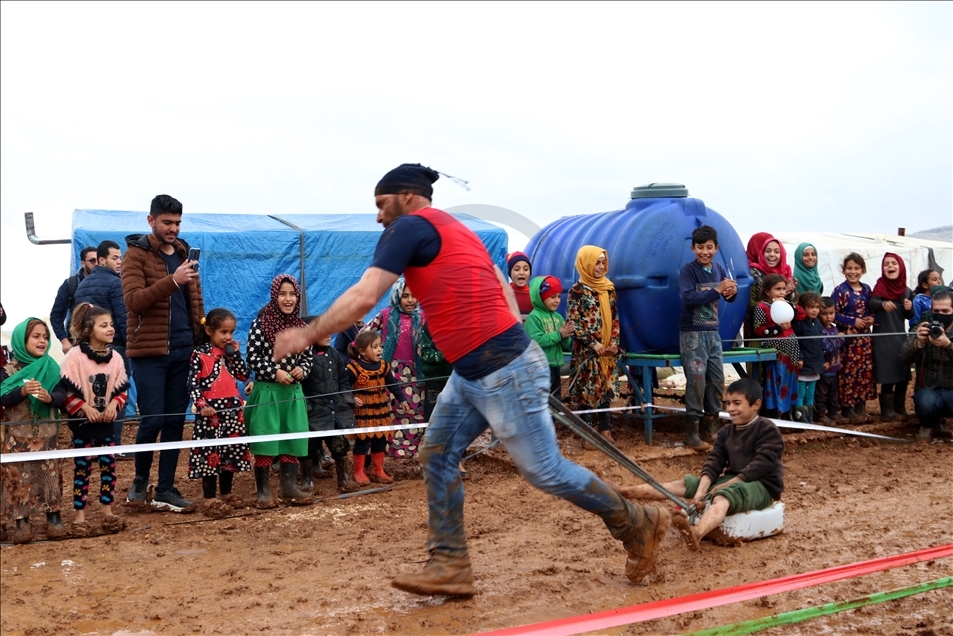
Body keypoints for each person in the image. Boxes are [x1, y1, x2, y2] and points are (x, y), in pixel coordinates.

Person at [274, 163, 669, 597]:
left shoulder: (408, 227)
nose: (378, 216)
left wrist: (307, 334)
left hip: (502, 369)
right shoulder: (458, 231)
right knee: (438, 454)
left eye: (382, 204)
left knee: (546, 471)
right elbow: (500, 285)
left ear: (406, 198)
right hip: (478, 369)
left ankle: (637, 522)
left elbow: (365, 296)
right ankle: (450, 563)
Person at [617, 378, 784, 550]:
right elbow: (714, 463)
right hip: (733, 480)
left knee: (722, 496)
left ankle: (697, 533)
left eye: (737, 403)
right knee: (683, 484)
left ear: (756, 405)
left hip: (762, 485)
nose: (730, 409)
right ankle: (624, 491)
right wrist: (700, 492)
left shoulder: (767, 429)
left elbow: (761, 464)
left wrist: (726, 485)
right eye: (728, 403)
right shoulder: (726, 432)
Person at [122, 194, 204, 513]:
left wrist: (202, 336)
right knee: (152, 418)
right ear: (151, 220)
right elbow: (133, 301)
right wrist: (173, 280)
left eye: (178, 223)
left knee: (174, 422)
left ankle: (165, 488)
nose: (173, 228)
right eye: (167, 222)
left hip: (184, 350)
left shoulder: (185, 255)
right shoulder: (135, 256)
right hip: (149, 352)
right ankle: (140, 480)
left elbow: (195, 302)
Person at [52, 304, 129, 536]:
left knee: (109, 467)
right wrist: (85, 407)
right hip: (82, 426)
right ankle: (79, 518)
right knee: (82, 469)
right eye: (103, 325)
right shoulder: (74, 357)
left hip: (106, 423)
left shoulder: (115, 357)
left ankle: (108, 513)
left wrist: (115, 404)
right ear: (88, 329)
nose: (110, 329)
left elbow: (121, 388)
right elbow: (66, 393)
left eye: (111, 325)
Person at [245, 274, 313, 508]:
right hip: (267, 392)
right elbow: (252, 357)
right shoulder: (260, 325)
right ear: (275, 296)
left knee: (291, 439)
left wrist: (301, 370)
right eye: (283, 293)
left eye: (293, 294)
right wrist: (275, 372)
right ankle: (263, 492)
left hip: (292, 394)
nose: (288, 299)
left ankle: (289, 488)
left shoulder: (303, 328)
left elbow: (307, 359)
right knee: (266, 440)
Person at [0, 317, 65, 543]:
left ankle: (53, 518)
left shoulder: (52, 367)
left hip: (47, 437)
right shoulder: (8, 371)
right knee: (20, 479)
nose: (42, 341)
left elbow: (61, 396)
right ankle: (21, 523)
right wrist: (23, 391)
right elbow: (4, 398)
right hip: (18, 439)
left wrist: (50, 398)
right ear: (21, 340)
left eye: (45, 337)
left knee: (49, 477)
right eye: (36, 337)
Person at [186, 308, 251, 517]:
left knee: (229, 452)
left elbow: (243, 375)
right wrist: (202, 405)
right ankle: (209, 497)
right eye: (223, 332)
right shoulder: (199, 354)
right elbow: (192, 383)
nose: (228, 337)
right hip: (211, 413)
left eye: (231, 332)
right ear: (209, 331)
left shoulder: (230, 353)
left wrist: (236, 354)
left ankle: (226, 492)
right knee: (210, 454)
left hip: (232, 410)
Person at [678, 225, 738, 449]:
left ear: (717, 248)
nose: (705, 252)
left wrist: (732, 292)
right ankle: (691, 434)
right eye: (700, 247)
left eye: (710, 247)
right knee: (696, 381)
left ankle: (710, 428)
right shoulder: (688, 270)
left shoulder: (719, 269)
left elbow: (727, 296)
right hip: (692, 335)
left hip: (713, 334)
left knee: (716, 380)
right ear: (693, 248)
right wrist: (717, 291)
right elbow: (688, 297)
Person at [75, 240, 130, 448]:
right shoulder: (116, 283)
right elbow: (123, 319)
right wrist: (130, 346)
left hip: (87, 349)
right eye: (115, 257)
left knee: (91, 395)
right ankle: (112, 445)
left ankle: (91, 444)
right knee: (116, 395)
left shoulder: (82, 285)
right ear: (101, 259)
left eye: (120, 257)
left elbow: (77, 318)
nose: (119, 262)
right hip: (114, 347)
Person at [364, 278, 425, 458]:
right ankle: (388, 448)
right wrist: (367, 355)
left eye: (414, 296)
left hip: (416, 372)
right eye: (405, 296)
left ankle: (411, 449)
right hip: (390, 372)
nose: (410, 300)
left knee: (415, 409)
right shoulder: (385, 315)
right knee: (390, 409)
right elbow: (364, 335)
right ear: (397, 296)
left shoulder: (422, 318)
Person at [567, 246, 621, 443]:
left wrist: (614, 341)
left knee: (606, 388)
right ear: (586, 264)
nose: (600, 266)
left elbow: (615, 318)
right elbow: (574, 323)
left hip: (607, 349)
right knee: (587, 390)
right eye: (596, 262)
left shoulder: (609, 288)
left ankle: (605, 429)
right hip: (587, 352)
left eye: (602, 262)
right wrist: (593, 343)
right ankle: (587, 432)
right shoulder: (577, 291)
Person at [300, 321, 357, 493]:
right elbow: (300, 385)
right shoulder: (304, 356)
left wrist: (347, 400)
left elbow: (342, 380)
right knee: (308, 448)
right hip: (313, 411)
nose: (327, 335)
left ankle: (344, 480)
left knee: (340, 446)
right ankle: (306, 481)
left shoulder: (335, 354)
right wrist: (307, 406)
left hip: (335, 410)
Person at [900, 289, 953, 442]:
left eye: (945, 311)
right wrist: (919, 343)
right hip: (929, 389)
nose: (940, 314)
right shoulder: (922, 327)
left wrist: (948, 345)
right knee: (925, 404)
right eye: (936, 310)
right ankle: (929, 425)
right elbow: (904, 358)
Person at [346, 330, 399, 485]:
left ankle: (377, 469)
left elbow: (393, 384)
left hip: (381, 410)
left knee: (380, 441)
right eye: (375, 347)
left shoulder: (384, 366)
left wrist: (402, 399)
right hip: (363, 412)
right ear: (362, 351)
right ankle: (358, 472)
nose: (380, 350)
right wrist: (351, 398)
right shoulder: (353, 368)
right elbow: (344, 386)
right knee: (362, 442)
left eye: (380, 346)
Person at [417, 322, 468, 478]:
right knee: (434, 420)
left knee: (458, 420)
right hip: (435, 380)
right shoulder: (428, 327)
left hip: (457, 379)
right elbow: (425, 354)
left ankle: (456, 460)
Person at [832, 253, 875, 424]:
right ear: (844, 270)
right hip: (848, 340)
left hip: (864, 341)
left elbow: (873, 310)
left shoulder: (867, 289)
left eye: (856, 268)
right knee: (849, 373)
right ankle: (848, 409)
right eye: (849, 268)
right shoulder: (840, 291)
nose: (853, 271)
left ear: (862, 270)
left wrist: (873, 319)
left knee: (864, 373)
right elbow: (832, 314)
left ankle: (861, 408)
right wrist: (852, 321)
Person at [870, 253, 914, 421]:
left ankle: (900, 407)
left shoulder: (907, 291)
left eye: (894, 263)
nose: (890, 266)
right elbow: (872, 303)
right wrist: (882, 304)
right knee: (889, 373)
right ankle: (886, 412)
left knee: (903, 372)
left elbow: (909, 316)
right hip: (884, 337)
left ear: (901, 267)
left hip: (900, 336)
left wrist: (909, 308)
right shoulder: (880, 287)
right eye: (886, 264)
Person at [752, 274, 801, 419]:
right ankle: (775, 415)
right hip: (776, 355)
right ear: (767, 291)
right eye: (777, 289)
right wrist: (778, 329)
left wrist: (789, 303)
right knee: (776, 382)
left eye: (783, 289)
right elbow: (759, 329)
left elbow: (800, 314)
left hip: (791, 354)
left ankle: (788, 415)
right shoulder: (761, 307)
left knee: (790, 382)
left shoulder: (787, 304)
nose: (781, 292)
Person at [524, 275, 572, 399]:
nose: (557, 300)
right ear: (540, 297)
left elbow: (565, 345)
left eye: (558, 297)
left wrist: (566, 335)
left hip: (555, 366)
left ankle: (553, 418)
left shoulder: (558, 317)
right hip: (540, 367)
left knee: (556, 398)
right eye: (552, 297)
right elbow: (537, 340)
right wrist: (559, 334)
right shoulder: (534, 318)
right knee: (543, 399)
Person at [50, 246, 97, 353]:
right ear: (83, 263)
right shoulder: (70, 284)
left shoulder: (109, 282)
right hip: (77, 343)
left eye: (99, 260)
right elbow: (56, 315)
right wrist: (64, 340)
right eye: (92, 260)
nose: (96, 264)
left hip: (103, 343)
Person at [792, 292, 824, 423]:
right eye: (811, 307)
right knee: (801, 392)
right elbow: (795, 342)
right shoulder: (799, 324)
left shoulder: (818, 323)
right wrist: (799, 357)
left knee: (810, 393)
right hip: (803, 365)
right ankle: (800, 417)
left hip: (815, 364)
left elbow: (820, 344)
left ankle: (810, 417)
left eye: (817, 307)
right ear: (803, 308)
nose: (815, 310)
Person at [815, 297, 848, 425]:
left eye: (831, 313)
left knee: (833, 394)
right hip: (824, 369)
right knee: (822, 395)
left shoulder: (834, 328)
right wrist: (841, 338)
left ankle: (833, 413)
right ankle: (821, 415)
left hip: (834, 369)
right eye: (824, 314)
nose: (828, 317)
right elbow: (827, 347)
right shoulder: (820, 330)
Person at [507, 251, 534, 319]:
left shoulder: (534, 294)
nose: (521, 273)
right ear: (510, 272)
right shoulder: (505, 293)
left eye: (526, 269)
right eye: (517, 269)